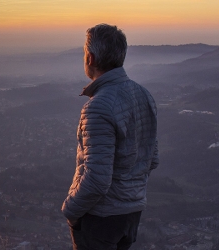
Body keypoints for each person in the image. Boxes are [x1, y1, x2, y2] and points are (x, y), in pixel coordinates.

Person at [61, 23, 159, 250]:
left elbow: (97, 179)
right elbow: (152, 159)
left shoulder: (98, 106)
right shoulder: (144, 96)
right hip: (131, 214)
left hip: (100, 218)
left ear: (91, 58)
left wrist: (70, 211)